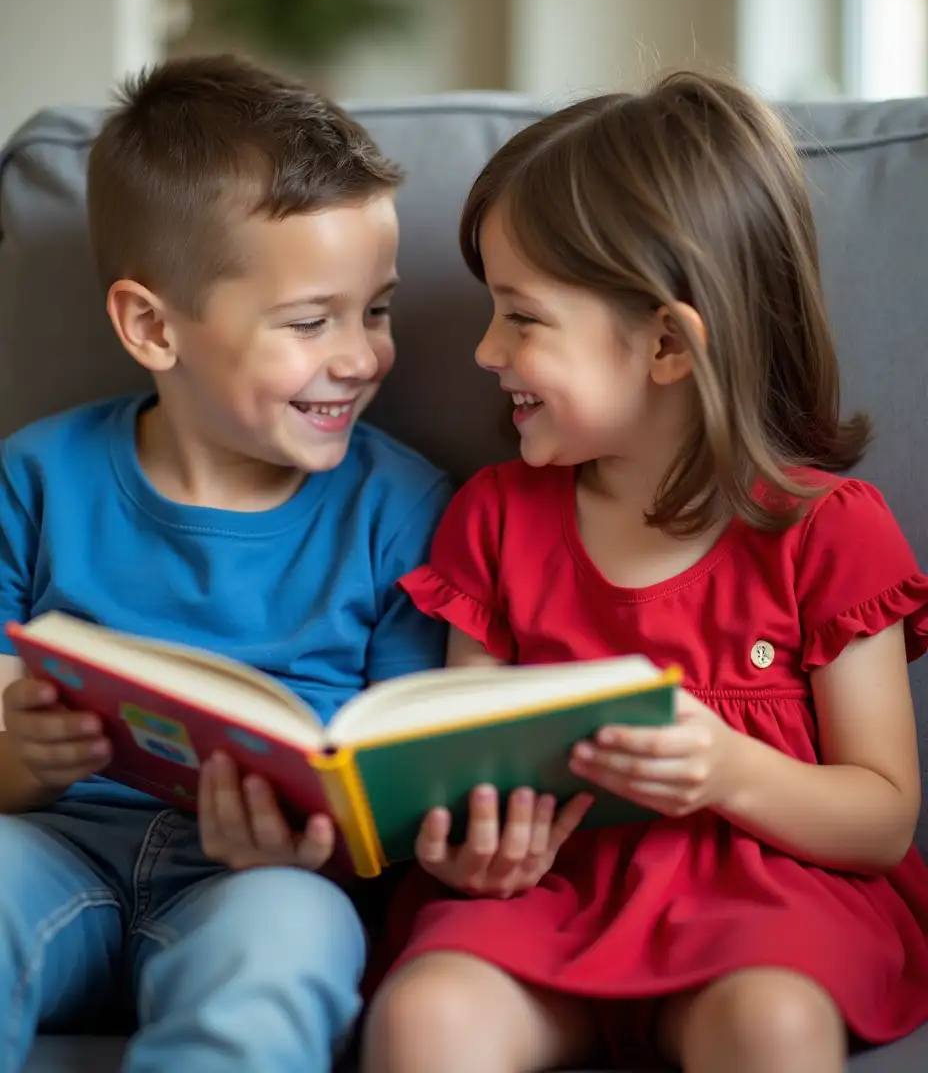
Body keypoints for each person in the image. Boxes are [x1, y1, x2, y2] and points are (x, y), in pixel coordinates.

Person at [362, 72, 928, 1073]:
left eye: (521, 317)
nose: (486, 350)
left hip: (765, 905)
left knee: (773, 1023)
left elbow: (881, 817)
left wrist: (728, 768)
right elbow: (452, 771)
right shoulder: (494, 517)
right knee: (426, 1016)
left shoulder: (826, 531)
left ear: (666, 342)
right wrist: (462, 843)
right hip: (547, 897)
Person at [0, 55, 451, 1072]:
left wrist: (323, 847)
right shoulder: (35, 480)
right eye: (309, 322)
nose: (360, 355)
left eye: (373, 309)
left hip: (264, 879)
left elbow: (406, 787)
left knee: (281, 950)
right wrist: (29, 756)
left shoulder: (403, 508)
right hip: (48, 843)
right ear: (152, 325)